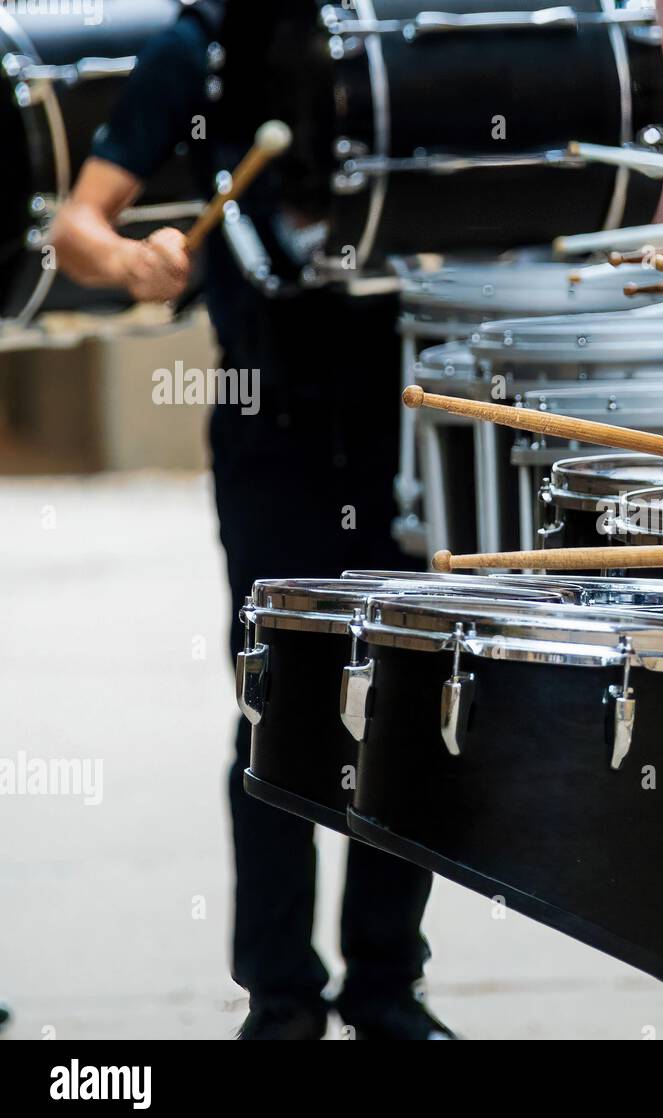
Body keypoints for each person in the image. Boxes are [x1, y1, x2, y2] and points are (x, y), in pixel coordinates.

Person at [50, 1, 450, 1039]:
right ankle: (280, 996)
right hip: (268, 419)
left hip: (407, 413)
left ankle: (386, 986)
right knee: (283, 700)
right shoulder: (202, 48)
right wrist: (130, 261)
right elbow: (76, 226)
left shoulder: (403, 31)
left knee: (408, 699)